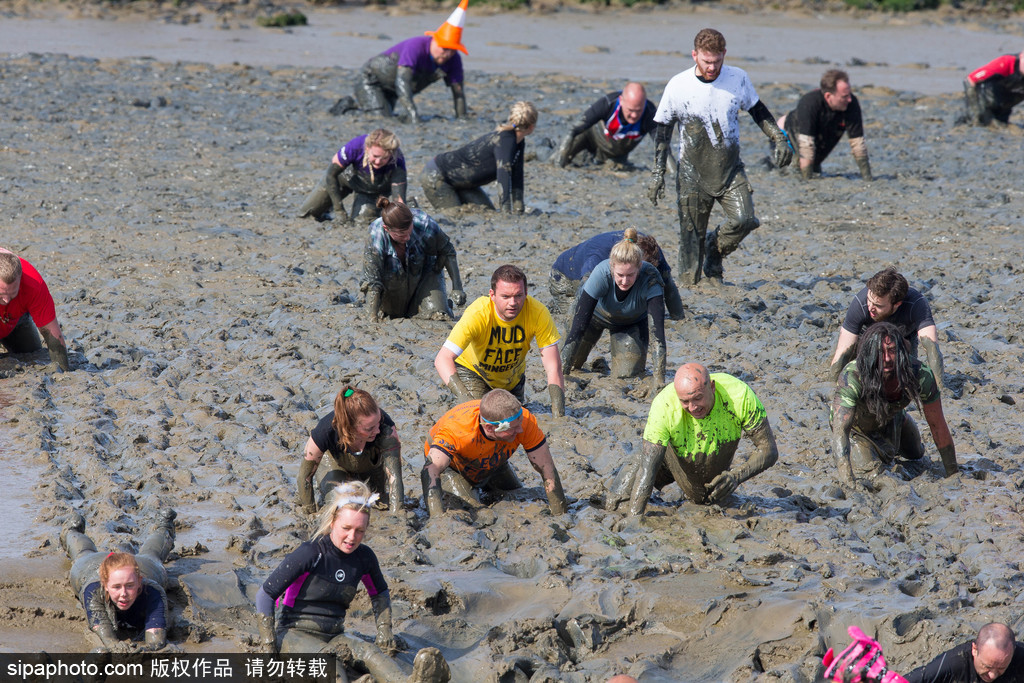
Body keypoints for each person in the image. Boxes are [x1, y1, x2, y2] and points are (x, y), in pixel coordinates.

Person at [256, 481, 450, 683]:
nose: (352, 537)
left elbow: (380, 593)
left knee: (369, 652)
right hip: (293, 635)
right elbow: (265, 595)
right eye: (346, 528)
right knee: (330, 665)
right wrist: (270, 650)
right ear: (332, 522)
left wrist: (384, 632)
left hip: (335, 635)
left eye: (360, 531)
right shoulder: (310, 552)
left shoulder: (364, 558)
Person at [647, 28, 792, 286]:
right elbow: (662, 134)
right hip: (692, 173)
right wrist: (658, 174)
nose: (712, 67)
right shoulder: (678, 85)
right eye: (706, 61)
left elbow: (759, 112)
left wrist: (779, 138)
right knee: (691, 239)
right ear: (695, 55)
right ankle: (690, 285)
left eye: (716, 61)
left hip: (730, 171)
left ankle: (714, 251)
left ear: (724, 54)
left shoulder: (738, 78)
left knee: (745, 219)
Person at [606, 363, 779, 515]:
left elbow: (769, 450)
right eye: (685, 401)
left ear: (712, 387)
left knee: (703, 499)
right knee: (619, 500)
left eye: (698, 398)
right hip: (669, 457)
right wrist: (635, 519)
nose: (693, 407)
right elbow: (648, 468)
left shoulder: (739, 395)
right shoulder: (663, 404)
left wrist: (735, 477)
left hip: (709, 464)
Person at [830, 322, 957, 485]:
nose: (887, 359)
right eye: (880, 352)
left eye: (892, 351)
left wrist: (953, 475)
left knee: (917, 455)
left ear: (902, 352)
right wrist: (848, 481)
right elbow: (841, 429)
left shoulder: (919, 373)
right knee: (874, 475)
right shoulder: (853, 375)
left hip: (893, 418)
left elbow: (938, 425)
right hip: (857, 429)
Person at [434, 264, 565, 416]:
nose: (513, 303)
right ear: (492, 295)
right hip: (474, 372)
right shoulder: (478, 313)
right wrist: (465, 399)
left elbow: (553, 366)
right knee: (478, 416)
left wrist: (559, 415)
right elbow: (442, 359)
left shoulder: (539, 313)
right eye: (506, 297)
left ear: (526, 293)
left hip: (512, 379)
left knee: (513, 421)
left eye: (518, 295)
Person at [421, 389, 568, 518]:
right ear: (490, 428)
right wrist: (436, 518)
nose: (520, 431)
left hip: (494, 460)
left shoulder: (524, 421)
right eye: (513, 428)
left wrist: (560, 513)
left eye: (520, 423)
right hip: (454, 468)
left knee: (517, 496)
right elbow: (430, 469)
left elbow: (546, 467)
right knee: (475, 513)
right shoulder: (457, 430)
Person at [560, 228, 668, 390]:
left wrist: (659, 380)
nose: (625, 281)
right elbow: (578, 327)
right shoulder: (601, 273)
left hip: (630, 323)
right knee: (572, 364)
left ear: (640, 267)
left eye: (630, 275)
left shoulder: (651, 278)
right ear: (612, 267)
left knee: (627, 377)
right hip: (593, 317)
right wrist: (562, 375)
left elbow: (658, 335)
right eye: (620, 275)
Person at [332, 0, 469, 124]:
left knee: (387, 116)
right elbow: (402, 81)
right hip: (372, 80)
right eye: (444, 49)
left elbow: (458, 92)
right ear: (435, 41)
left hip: (393, 90)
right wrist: (414, 116)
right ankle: (348, 105)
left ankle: (361, 104)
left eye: (452, 50)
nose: (447, 54)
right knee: (381, 119)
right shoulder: (415, 47)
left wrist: (462, 118)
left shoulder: (454, 59)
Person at [61, 508, 177, 652]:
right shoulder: (93, 590)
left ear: (140, 581)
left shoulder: (153, 591)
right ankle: (72, 530)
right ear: (105, 585)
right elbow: (108, 639)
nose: (124, 593)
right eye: (116, 587)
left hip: (144, 566)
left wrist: (146, 651)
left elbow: (157, 641)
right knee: (83, 552)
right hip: (90, 565)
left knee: (153, 555)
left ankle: (165, 526)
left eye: (129, 586)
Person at [828, 267, 943, 390]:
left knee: (905, 379)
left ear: (896, 304)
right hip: (864, 337)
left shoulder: (917, 304)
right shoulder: (860, 304)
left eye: (878, 305)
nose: (870, 307)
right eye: (869, 300)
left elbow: (932, 349)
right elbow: (842, 353)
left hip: (901, 339)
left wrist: (939, 389)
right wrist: (832, 388)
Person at [297, 386, 404, 516]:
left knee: (378, 502)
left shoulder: (386, 427)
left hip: (371, 465)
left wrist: (397, 514)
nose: (377, 430)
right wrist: (309, 512)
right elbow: (305, 477)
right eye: (369, 428)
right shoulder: (325, 432)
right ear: (349, 428)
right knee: (339, 505)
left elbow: (394, 476)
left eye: (378, 422)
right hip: (336, 465)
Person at [421, 101, 537, 213]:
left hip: (466, 184)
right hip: (438, 176)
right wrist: (506, 214)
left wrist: (519, 211)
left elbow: (517, 176)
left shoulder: (519, 142)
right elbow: (503, 178)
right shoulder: (504, 140)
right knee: (454, 215)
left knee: (487, 213)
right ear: (532, 127)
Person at [361, 198, 465, 321]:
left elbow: (448, 251)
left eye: (409, 231)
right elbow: (372, 282)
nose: (408, 237)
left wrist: (457, 287)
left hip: (424, 274)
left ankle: (440, 302)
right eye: (401, 235)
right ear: (386, 229)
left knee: (438, 316)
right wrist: (372, 318)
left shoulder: (424, 223)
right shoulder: (375, 237)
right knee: (394, 315)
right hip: (392, 283)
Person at [549, 229, 684, 319]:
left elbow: (668, 285)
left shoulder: (653, 251)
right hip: (565, 278)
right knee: (595, 318)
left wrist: (678, 317)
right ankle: (555, 306)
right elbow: (583, 295)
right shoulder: (597, 258)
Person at [776, 69, 872, 181]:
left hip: (817, 138)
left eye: (849, 94)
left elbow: (858, 143)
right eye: (844, 96)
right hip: (786, 134)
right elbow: (806, 145)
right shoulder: (810, 102)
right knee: (793, 172)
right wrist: (808, 181)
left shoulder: (851, 104)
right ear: (828, 96)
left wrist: (867, 178)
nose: (849, 99)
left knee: (815, 170)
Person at [298, 129, 407, 225]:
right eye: (375, 156)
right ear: (368, 148)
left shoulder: (398, 161)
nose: (378, 162)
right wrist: (339, 210)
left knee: (362, 223)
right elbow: (330, 174)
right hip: (347, 178)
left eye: (384, 158)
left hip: (373, 190)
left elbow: (399, 201)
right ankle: (328, 208)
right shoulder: (355, 146)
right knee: (306, 214)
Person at [549, 82, 658, 168]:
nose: (634, 115)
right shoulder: (608, 103)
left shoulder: (650, 112)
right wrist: (559, 163)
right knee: (556, 157)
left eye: (639, 111)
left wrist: (671, 174)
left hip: (615, 153)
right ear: (621, 101)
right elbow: (572, 130)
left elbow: (663, 146)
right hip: (591, 137)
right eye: (630, 110)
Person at [1, 248, 69, 371]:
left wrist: (64, 374)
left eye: (12, 294)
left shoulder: (34, 284)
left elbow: (52, 335)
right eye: (1, 294)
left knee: (32, 356)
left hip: (14, 319)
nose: (6, 300)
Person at [905, 623, 1024, 683]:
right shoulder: (954, 663)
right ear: (974, 650)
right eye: (987, 666)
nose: (993, 675)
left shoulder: (1020, 657)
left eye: (1001, 668)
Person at [963, 51, 1024, 126]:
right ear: (1021, 56)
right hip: (985, 98)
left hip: (1006, 100)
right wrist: (974, 115)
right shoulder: (1005, 63)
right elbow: (969, 80)